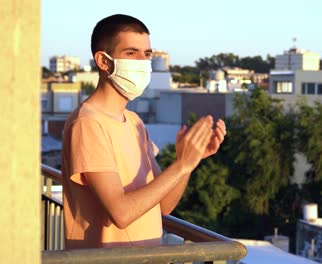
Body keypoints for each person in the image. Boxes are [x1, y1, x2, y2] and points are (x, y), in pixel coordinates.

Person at [61, 14, 226, 249]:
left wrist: (188, 161)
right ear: (103, 61)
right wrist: (181, 166)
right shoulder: (87, 124)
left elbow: (163, 205)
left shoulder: (134, 121)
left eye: (147, 54)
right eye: (131, 53)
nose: (142, 62)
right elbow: (121, 213)